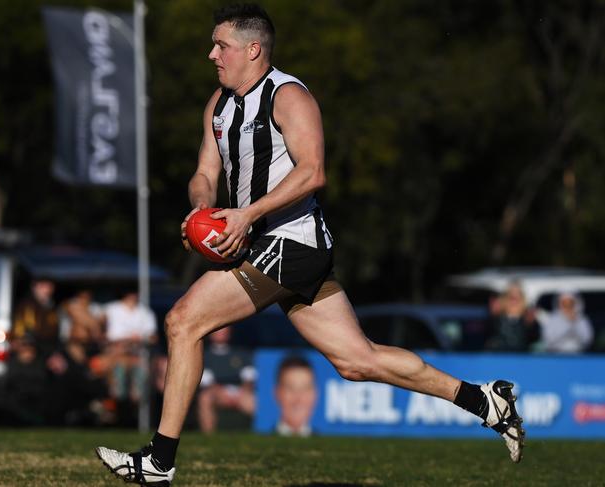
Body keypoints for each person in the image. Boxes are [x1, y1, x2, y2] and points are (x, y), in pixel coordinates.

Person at [96, 5, 525, 484]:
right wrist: (202, 211)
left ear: (253, 49)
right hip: (269, 245)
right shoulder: (218, 104)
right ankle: (485, 400)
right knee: (357, 361)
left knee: (182, 321)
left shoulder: (288, 96)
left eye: (222, 45)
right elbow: (205, 172)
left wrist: (248, 214)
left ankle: (159, 462)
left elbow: (313, 172)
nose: (211, 53)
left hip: (292, 241)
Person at [196, 326, 256, 433]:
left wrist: (243, 391)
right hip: (216, 392)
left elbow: (249, 378)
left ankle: (260, 434)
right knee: (204, 398)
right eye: (218, 330)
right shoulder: (203, 355)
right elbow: (207, 381)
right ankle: (208, 435)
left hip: (239, 391)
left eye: (225, 329)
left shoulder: (241, 353)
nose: (221, 332)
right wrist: (223, 394)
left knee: (253, 401)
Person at [103, 290, 157, 405]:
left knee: (139, 385)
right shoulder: (111, 309)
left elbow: (153, 337)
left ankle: (132, 398)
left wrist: (138, 340)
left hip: (137, 354)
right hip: (116, 353)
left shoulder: (145, 312)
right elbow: (103, 333)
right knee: (116, 383)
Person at [485, 281, 540, 352]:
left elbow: (535, 340)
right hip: (500, 357)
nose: (514, 302)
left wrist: (531, 325)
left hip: (521, 358)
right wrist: (492, 316)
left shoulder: (527, 319)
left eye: (517, 298)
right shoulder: (497, 319)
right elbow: (487, 337)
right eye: (511, 298)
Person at [12, 279, 60, 355]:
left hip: (50, 345)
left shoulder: (51, 306)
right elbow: (23, 331)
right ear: (34, 287)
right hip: (30, 345)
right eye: (42, 286)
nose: (46, 290)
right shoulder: (26, 305)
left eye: (49, 286)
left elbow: (54, 329)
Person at [274, 356, 317, 437]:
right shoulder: (262, 439)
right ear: (277, 393)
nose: (298, 399)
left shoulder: (322, 442)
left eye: (305, 388)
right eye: (291, 388)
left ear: (315, 394)